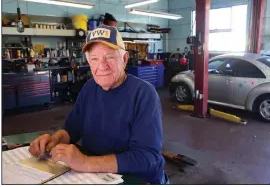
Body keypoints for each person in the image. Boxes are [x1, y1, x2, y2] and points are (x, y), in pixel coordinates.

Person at [28, 25, 167, 184]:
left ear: (124, 59)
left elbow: (146, 158)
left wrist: (85, 163)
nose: (102, 66)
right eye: (94, 59)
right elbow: (71, 130)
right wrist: (53, 142)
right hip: (97, 177)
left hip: (138, 180)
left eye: (109, 57)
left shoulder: (143, 94)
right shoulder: (89, 88)